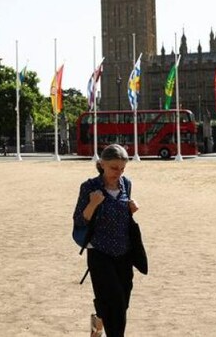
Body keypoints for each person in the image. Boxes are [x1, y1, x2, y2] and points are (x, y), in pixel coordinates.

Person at [73, 144, 139, 337]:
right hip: (99, 252)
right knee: (115, 302)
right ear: (102, 164)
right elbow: (79, 219)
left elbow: (123, 215)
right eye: (113, 168)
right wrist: (93, 204)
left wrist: (131, 208)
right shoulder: (89, 187)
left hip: (124, 252)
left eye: (122, 169)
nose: (118, 173)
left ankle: (99, 319)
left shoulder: (126, 184)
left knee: (122, 302)